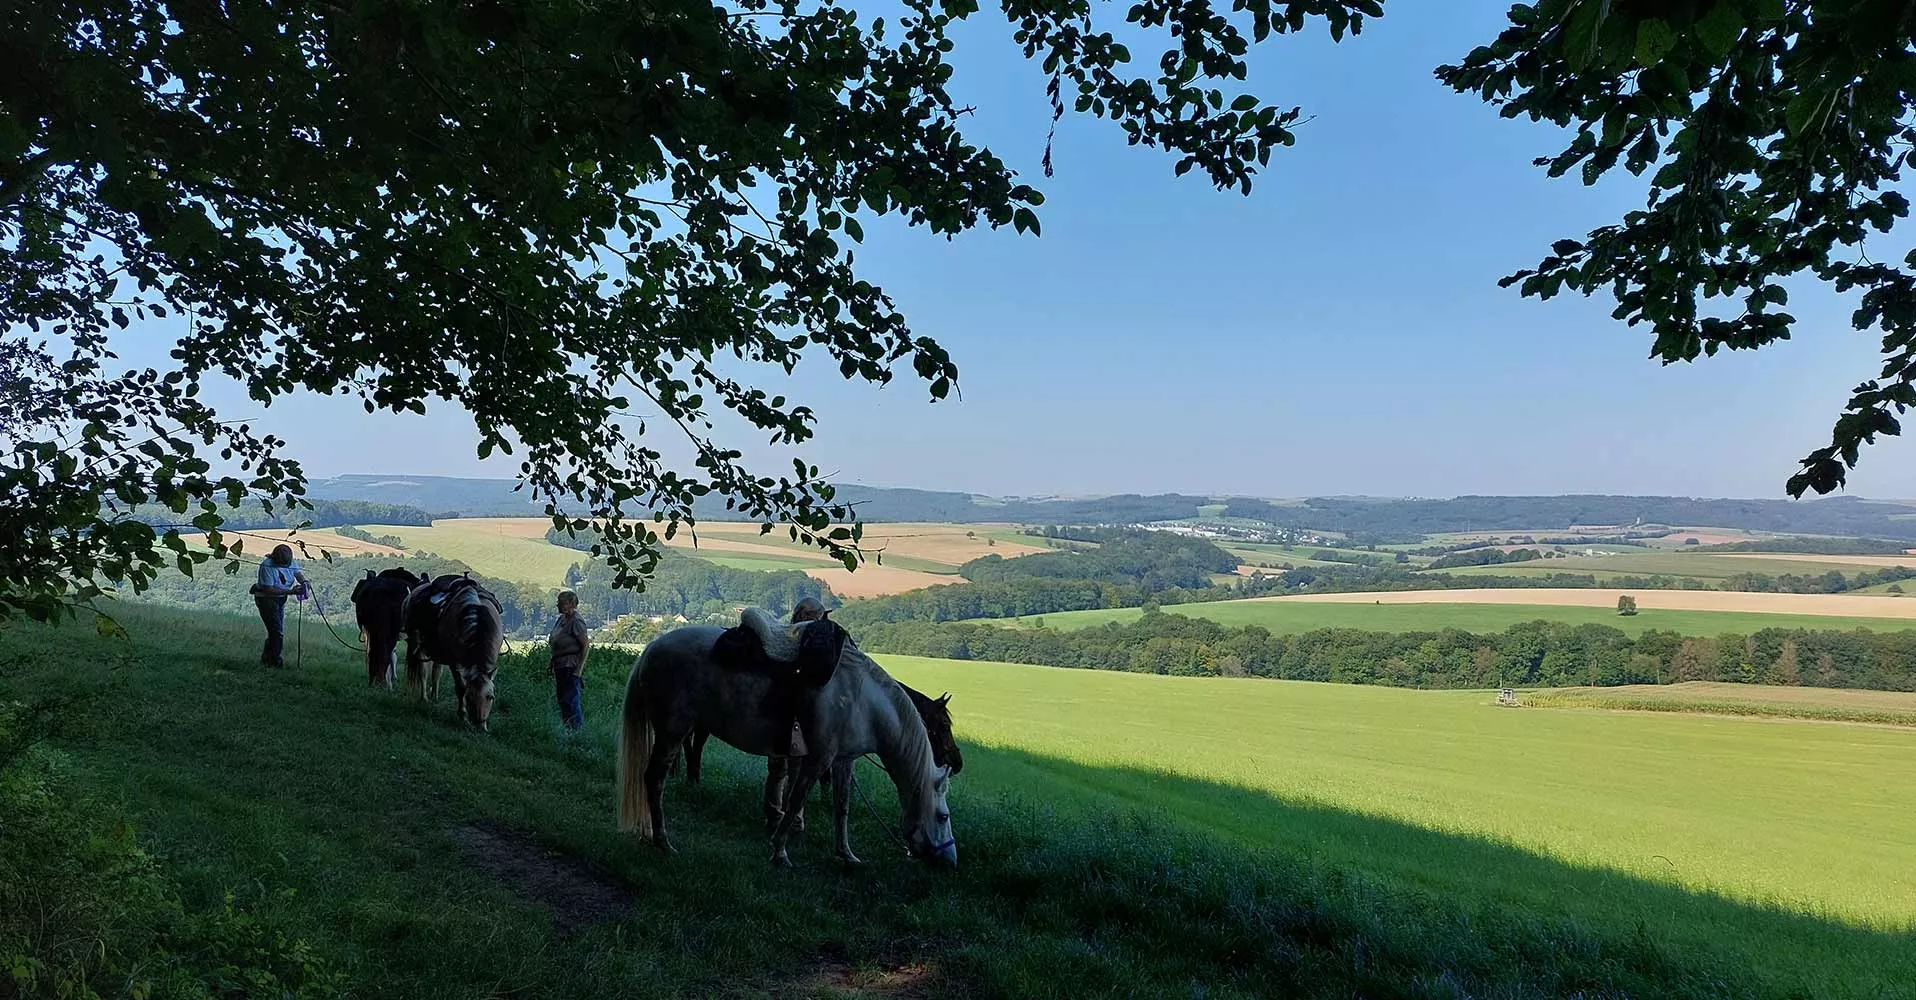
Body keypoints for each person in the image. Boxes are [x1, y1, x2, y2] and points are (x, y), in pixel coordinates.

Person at [249, 544, 309, 668]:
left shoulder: (290, 561)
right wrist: (291, 591)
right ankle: (275, 662)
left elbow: (297, 572)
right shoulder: (267, 566)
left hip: (280, 599)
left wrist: (304, 582)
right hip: (266, 599)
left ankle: (267, 659)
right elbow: (268, 589)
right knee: (276, 632)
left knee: (275, 631)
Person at [548, 589, 590, 730]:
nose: (558, 605)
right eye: (558, 602)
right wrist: (551, 660)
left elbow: (585, 645)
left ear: (571, 604)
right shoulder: (562, 620)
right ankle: (567, 729)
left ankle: (576, 732)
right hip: (560, 665)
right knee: (563, 701)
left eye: (561, 603)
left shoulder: (576, 621)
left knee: (571, 700)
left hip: (571, 666)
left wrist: (579, 669)